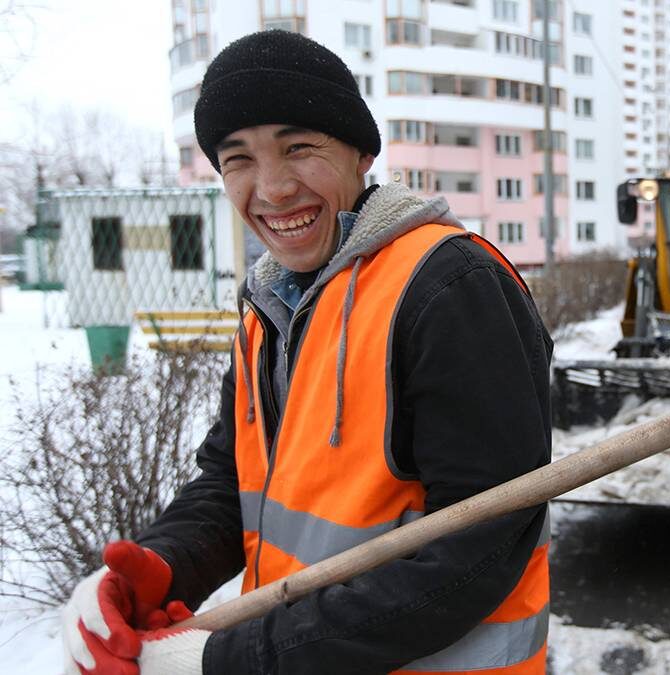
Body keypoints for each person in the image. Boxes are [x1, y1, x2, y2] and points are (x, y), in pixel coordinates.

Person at [61, 30, 552, 675]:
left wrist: (242, 658)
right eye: (237, 159)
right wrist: (160, 565)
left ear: (361, 154)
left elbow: (477, 548)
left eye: (299, 148)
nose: (272, 188)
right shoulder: (271, 303)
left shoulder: (448, 286)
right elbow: (231, 479)